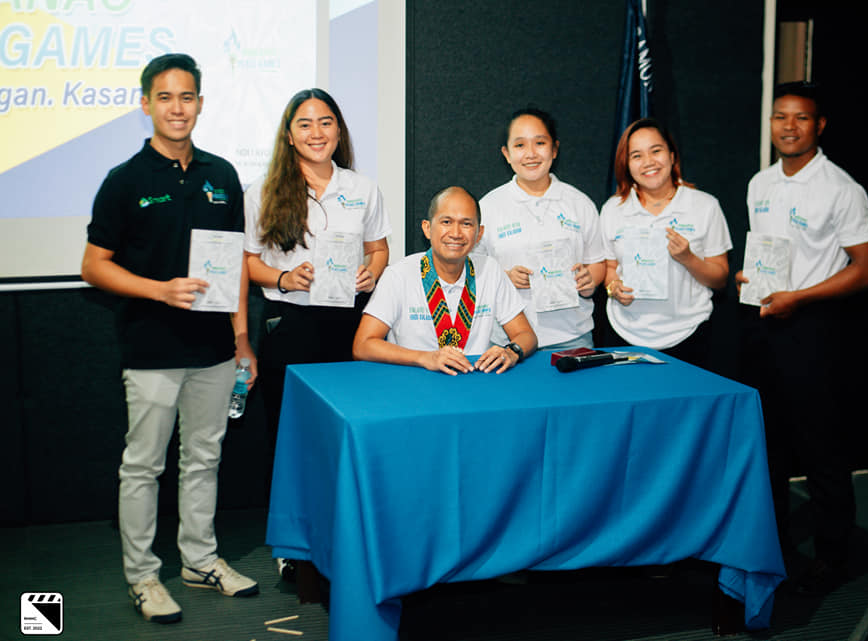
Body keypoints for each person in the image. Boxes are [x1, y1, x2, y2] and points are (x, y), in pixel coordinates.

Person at [81, 53, 259, 625]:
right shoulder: (124, 181)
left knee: (203, 459)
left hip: (212, 350)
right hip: (151, 349)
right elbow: (93, 266)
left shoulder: (222, 175)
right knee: (143, 467)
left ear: (200, 104)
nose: (177, 107)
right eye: (165, 97)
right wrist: (159, 291)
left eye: (187, 97)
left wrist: (241, 339)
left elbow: (232, 268)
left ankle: (200, 562)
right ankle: (142, 576)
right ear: (146, 104)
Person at [736, 81, 868, 593]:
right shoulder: (760, 184)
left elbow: (865, 270)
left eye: (800, 118)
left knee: (821, 449)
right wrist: (750, 280)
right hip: (763, 326)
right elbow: (768, 256)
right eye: (780, 117)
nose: (788, 126)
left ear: (819, 125)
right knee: (767, 445)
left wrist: (801, 296)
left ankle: (834, 558)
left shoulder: (842, 189)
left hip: (814, 330)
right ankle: (773, 544)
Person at [244, 88, 390, 435]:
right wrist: (284, 278)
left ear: (339, 131)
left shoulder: (362, 188)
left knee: (346, 429)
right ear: (289, 136)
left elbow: (379, 249)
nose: (317, 133)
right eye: (305, 125)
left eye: (326, 123)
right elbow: (247, 261)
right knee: (290, 433)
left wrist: (371, 272)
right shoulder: (262, 192)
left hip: (350, 323)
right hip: (289, 323)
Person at [353, 186, 537, 374]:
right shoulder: (398, 275)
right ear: (427, 228)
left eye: (466, 224)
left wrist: (512, 352)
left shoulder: (490, 270)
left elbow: (526, 335)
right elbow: (363, 346)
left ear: (479, 234)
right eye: (446, 222)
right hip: (414, 383)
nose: (456, 233)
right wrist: (424, 357)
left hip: (474, 382)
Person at [600, 118, 732, 369]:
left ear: (672, 156)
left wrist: (689, 259)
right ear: (626, 165)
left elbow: (720, 278)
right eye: (636, 155)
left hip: (689, 336)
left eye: (656, 151)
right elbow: (609, 268)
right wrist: (613, 287)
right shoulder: (612, 210)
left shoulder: (705, 206)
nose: (648, 162)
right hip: (624, 335)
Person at [474, 107, 605, 350]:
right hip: (506, 340)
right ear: (506, 153)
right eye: (520, 145)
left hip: (572, 337)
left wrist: (590, 279)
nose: (531, 154)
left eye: (540, 143)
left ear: (554, 149)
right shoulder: (488, 207)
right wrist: (504, 276)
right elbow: (471, 269)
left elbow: (597, 262)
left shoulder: (580, 203)